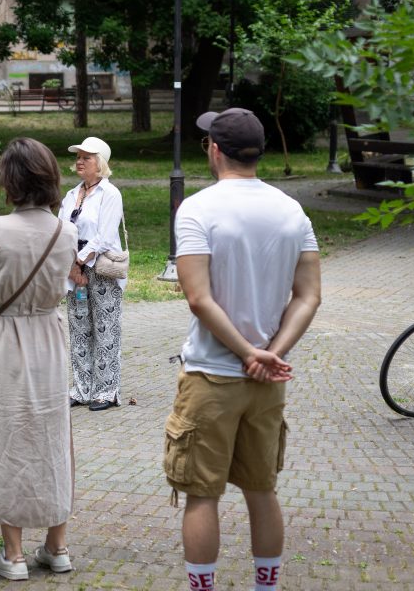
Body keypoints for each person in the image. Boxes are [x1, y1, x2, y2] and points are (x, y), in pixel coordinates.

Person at [166, 108, 321, 591]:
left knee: (201, 495)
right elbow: (309, 294)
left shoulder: (196, 209)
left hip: (211, 376)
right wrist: (269, 353)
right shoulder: (292, 210)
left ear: (215, 150)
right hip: (266, 384)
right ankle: (266, 586)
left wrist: (246, 353)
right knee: (262, 490)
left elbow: (198, 298)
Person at [0, 138, 79, 580]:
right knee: (52, 435)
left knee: (3, 435)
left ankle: (12, 555)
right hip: (49, 335)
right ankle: (58, 545)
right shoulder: (65, 230)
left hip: (5, 336)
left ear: (10, 180)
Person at [57, 136, 127, 411]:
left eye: (86, 157)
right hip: (74, 270)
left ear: (101, 163)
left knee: (105, 329)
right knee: (78, 328)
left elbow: (106, 236)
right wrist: (72, 267)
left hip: (101, 268)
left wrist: (82, 262)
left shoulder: (110, 194)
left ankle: (106, 391)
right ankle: (82, 387)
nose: (79, 161)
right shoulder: (72, 194)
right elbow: (62, 230)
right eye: (78, 156)